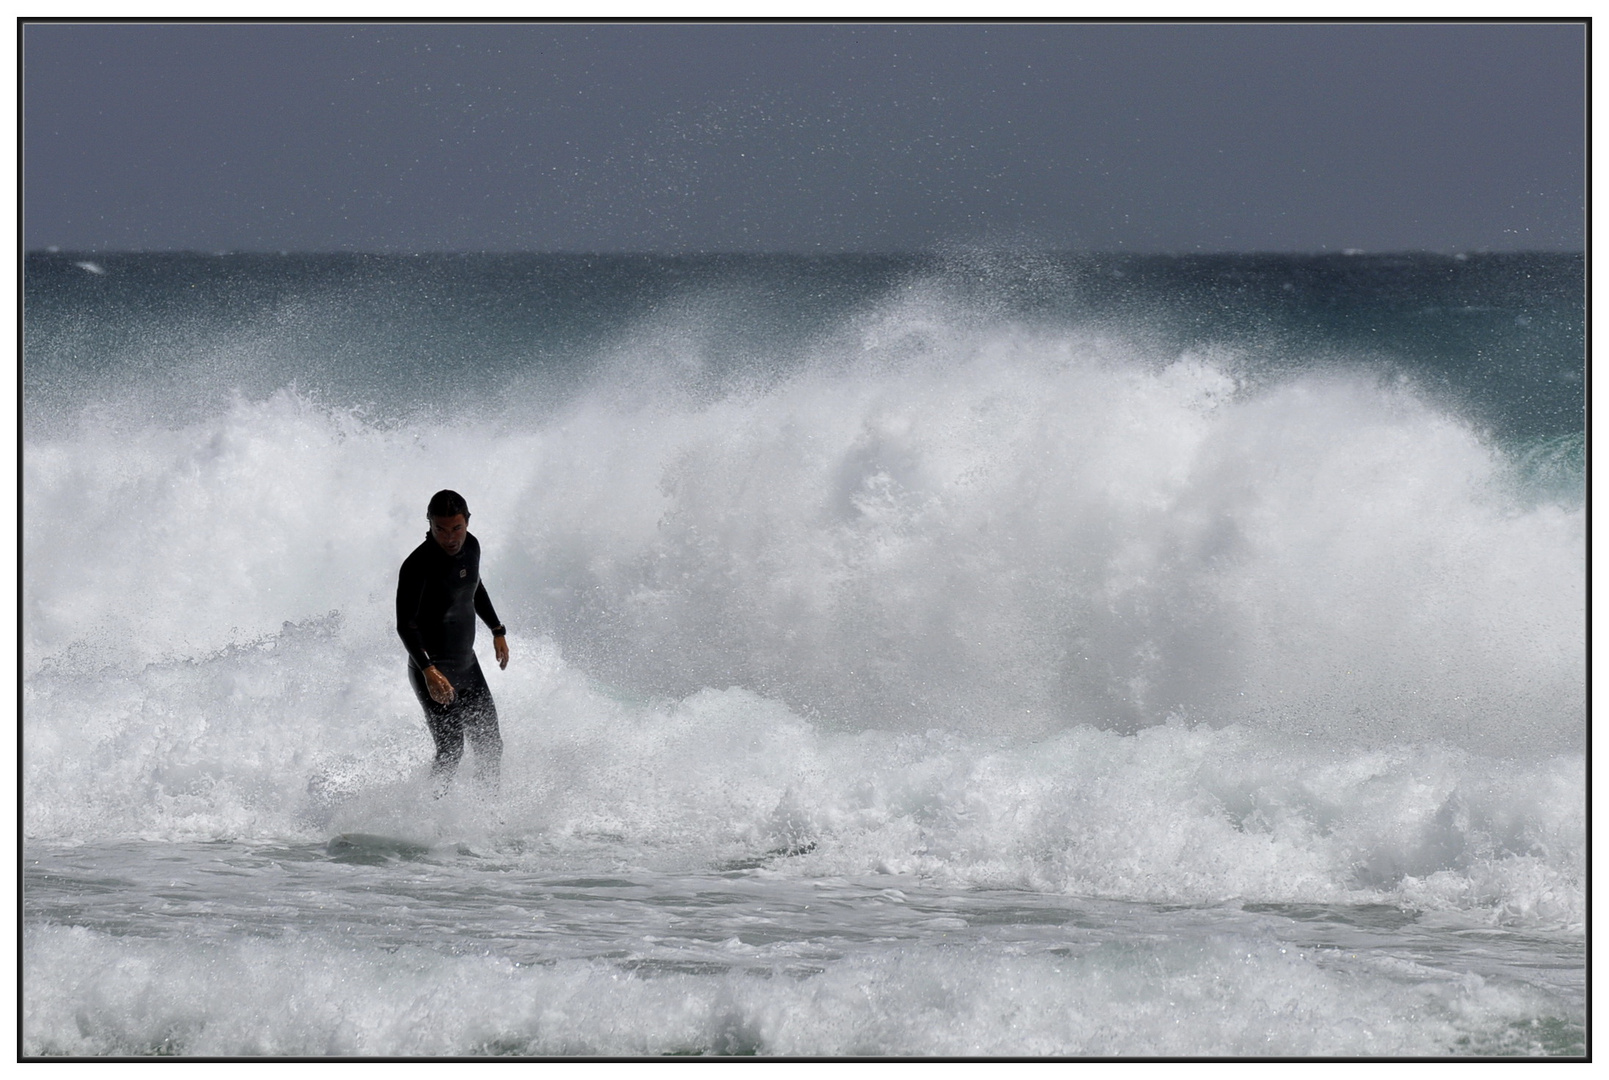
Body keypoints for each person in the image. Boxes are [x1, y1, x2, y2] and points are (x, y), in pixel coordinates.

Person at [396, 489, 509, 793]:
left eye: (456, 528)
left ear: (467, 522)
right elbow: (405, 625)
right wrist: (429, 670)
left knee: (490, 746)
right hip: (433, 671)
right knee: (451, 751)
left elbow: (474, 587)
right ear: (430, 524)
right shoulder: (416, 566)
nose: (450, 537)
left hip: (467, 666)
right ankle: (426, 814)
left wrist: (497, 630)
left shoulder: (471, 547)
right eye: (440, 529)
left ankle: (489, 811)